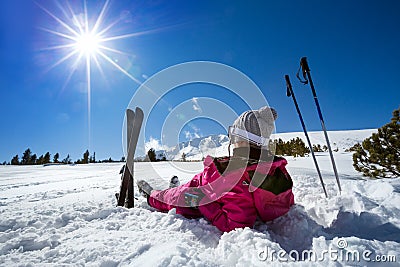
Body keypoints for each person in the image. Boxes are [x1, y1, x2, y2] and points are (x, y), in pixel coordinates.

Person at [137, 106, 294, 232]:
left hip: (198, 194)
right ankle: (167, 192)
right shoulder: (273, 169)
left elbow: (235, 225)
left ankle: (152, 197)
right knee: (183, 189)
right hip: (207, 184)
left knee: (176, 195)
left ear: (240, 138)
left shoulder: (237, 176)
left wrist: (202, 201)